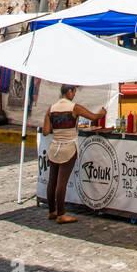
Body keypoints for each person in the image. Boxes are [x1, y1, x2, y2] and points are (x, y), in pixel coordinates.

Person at [42, 85, 105, 224]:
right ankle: (61, 214)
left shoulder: (51, 108)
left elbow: (46, 131)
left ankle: (52, 210)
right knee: (61, 182)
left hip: (54, 147)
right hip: (68, 146)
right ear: (69, 92)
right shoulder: (74, 107)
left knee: (52, 180)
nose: (74, 94)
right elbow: (93, 117)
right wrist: (102, 112)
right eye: (74, 92)